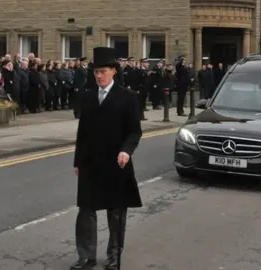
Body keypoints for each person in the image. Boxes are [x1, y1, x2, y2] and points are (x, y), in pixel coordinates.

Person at [71, 47, 143, 270]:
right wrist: (77, 161)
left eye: (102, 71)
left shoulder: (127, 97)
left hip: (116, 162)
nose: (98, 76)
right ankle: (86, 256)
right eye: (95, 72)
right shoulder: (88, 96)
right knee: (86, 210)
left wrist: (126, 151)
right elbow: (82, 132)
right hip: (90, 162)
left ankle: (114, 254)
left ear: (113, 71)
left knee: (115, 212)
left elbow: (134, 131)